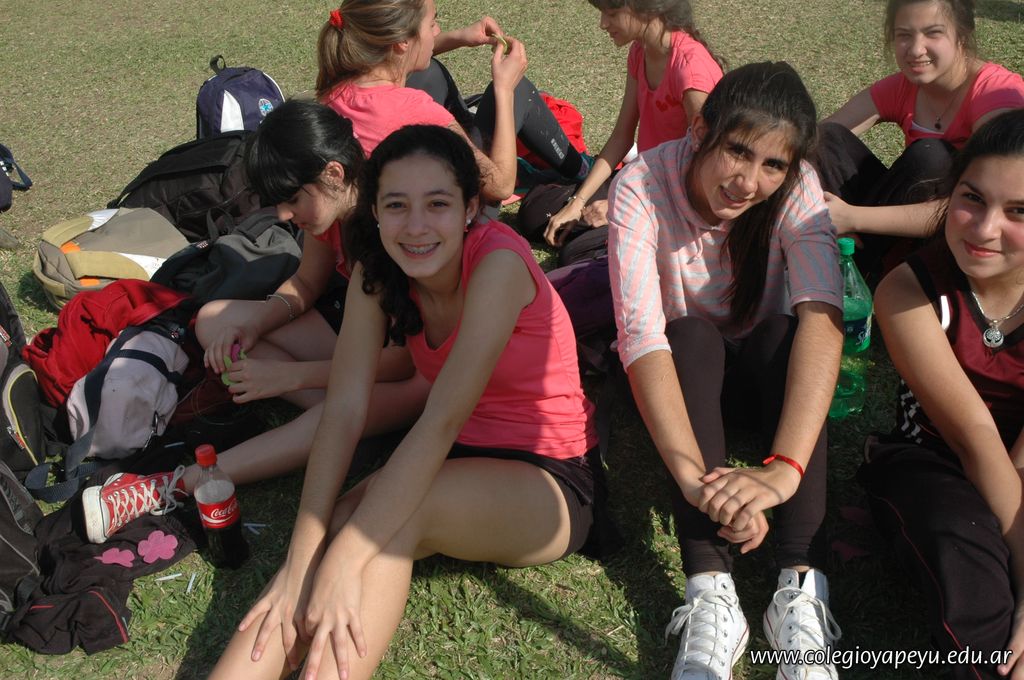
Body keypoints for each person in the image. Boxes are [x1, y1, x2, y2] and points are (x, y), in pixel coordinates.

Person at [210, 124, 606, 680]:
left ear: (470, 208)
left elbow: (440, 420)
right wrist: (300, 564)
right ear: (374, 211)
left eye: (437, 204)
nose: (416, 226)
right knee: (338, 524)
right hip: (461, 456)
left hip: (552, 478)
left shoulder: (498, 265)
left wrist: (342, 564)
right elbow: (344, 410)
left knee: (375, 530)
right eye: (397, 205)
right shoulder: (375, 271)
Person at [81, 101, 429, 544]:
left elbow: (404, 362)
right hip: (363, 343)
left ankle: (171, 485)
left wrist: (289, 377)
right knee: (214, 321)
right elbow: (305, 283)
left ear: (334, 173)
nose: (284, 215)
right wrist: (254, 326)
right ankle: (351, 424)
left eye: (292, 199)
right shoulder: (334, 209)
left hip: (420, 375)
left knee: (338, 411)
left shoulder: (392, 225)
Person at [607, 62, 844, 679]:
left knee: (786, 334)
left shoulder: (799, 188)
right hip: (683, 376)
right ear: (699, 130)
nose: (747, 181)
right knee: (689, 335)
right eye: (737, 151)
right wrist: (695, 481)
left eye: (772, 164)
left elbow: (822, 317)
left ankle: (800, 585)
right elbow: (642, 338)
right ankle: (710, 586)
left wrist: (783, 470)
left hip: (761, 375)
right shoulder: (641, 185)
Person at [859, 109, 1024, 680]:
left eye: (1019, 211)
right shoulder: (909, 290)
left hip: (1015, 468)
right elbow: (975, 439)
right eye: (972, 198)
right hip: (931, 463)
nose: (984, 228)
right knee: (966, 551)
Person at [818, 0, 1024, 282]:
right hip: (895, 231)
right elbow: (809, 140)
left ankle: (858, 271)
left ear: (962, 34)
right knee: (824, 139)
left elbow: (978, 209)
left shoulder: (997, 97)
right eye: (904, 35)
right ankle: (847, 258)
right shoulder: (904, 87)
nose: (915, 49)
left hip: (968, 235)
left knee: (930, 156)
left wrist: (852, 217)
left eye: (933, 33)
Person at [317, 0, 590, 204]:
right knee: (519, 91)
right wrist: (504, 89)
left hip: (386, 217)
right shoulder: (416, 109)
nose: (437, 30)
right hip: (442, 228)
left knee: (429, 72)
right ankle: (584, 171)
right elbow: (500, 187)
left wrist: (458, 38)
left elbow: (400, 56)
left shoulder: (333, 90)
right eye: (432, 24)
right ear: (402, 41)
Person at [543, 0, 724, 248]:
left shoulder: (690, 71)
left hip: (676, 203)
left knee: (574, 251)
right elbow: (622, 136)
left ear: (646, 8)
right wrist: (578, 201)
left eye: (611, 13)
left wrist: (620, 207)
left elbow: (707, 174)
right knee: (537, 214)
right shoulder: (640, 52)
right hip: (646, 182)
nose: (603, 24)